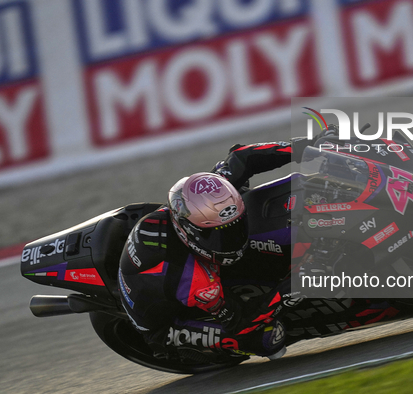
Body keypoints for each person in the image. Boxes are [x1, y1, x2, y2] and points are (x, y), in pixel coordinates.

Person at [118, 137, 315, 362]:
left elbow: (243, 156)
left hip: (169, 261)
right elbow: (240, 322)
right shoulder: (196, 282)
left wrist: (305, 145)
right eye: (219, 235)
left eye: (235, 227)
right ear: (190, 232)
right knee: (266, 339)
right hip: (163, 324)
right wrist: (292, 288)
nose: (232, 239)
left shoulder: (207, 192)